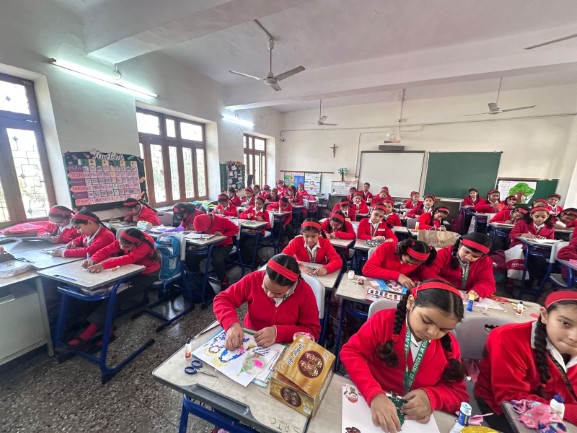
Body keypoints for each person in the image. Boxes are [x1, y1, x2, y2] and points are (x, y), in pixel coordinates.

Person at [340, 280, 467, 433]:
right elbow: (350, 352)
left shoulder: (450, 347)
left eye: (444, 329)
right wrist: (374, 394)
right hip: (372, 403)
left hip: (413, 419)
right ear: (410, 302)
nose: (433, 333)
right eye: (426, 321)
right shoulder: (383, 322)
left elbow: (458, 393)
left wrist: (432, 397)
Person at [475, 290, 577, 429]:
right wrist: (564, 411)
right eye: (565, 323)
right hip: (504, 410)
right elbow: (511, 398)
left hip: (559, 414)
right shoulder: (508, 338)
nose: (574, 337)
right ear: (544, 315)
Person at [65, 229, 160, 350]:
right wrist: (92, 260)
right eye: (120, 244)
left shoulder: (144, 244)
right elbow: (107, 250)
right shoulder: (125, 240)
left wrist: (103, 265)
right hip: (130, 271)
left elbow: (129, 258)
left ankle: (89, 332)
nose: (122, 247)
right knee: (100, 291)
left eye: (127, 247)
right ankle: (104, 326)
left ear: (137, 244)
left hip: (147, 274)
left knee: (116, 294)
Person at [213, 254, 321, 349]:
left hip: (285, 344)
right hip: (252, 337)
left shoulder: (304, 292)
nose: (269, 295)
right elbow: (222, 299)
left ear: (291, 286)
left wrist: (278, 333)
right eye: (265, 287)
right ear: (265, 274)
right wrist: (231, 325)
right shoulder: (254, 279)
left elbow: (312, 331)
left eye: (278, 293)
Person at [421, 233, 495, 299]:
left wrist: (478, 291)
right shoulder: (444, 254)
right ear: (460, 244)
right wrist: (446, 285)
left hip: (466, 297)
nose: (468, 257)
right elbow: (427, 272)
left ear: (482, 256)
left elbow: (488, 282)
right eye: (466, 252)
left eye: (475, 256)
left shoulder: (485, 262)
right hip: (442, 293)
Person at [187, 213, 239, 289]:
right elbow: (199, 230)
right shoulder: (201, 219)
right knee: (191, 256)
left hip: (224, 244)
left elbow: (236, 229)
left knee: (217, 260)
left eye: (205, 229)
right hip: (209, 244)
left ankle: (223, 280)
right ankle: (198, 276)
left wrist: (224, 235)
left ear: (210, 223)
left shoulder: (222, 220)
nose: (205, 230)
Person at [363, 239, 436, 288]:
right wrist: (398, 276)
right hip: (376, 284)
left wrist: (414, 281)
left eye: (415, 264)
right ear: (403, 252)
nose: (410, 265)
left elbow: (415, 275)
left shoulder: (418, 262)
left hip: (396, 289)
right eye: (407, 261)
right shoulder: (387, 247)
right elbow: (367, 269)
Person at [51, 210, 116, 258]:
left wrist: (63, 253)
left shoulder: (106, 235)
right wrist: (72, 243)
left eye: (79, 228)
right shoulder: (88, 234)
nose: (77, 232)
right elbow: (79, 239)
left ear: (90, 223)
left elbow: (88, 251)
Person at [239, 196, 270, 265]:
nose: (257, 205)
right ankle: (245, 260)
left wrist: (262, 220)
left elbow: (268, 226)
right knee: (241, 241)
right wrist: (247, 215)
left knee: (248, 244)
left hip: (259, 232)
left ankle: (257, 260)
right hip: (248, 231)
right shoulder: (251, 208)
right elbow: (241, 215)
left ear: (263, 204)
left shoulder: (265, 213)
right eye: (256, 203)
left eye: (260, 204)